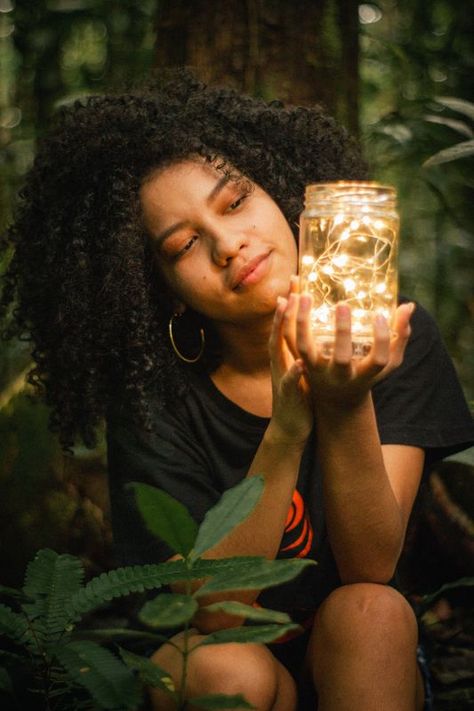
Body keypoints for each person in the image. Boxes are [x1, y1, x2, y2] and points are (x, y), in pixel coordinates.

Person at [2, 71, 473, 711]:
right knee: (232, 669)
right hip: (214, 661)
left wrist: (344, 399)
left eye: (233, 203)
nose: (229, 246)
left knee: (373, 613)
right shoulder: (155, 396)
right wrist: (286, 429)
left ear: (280, 196)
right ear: (164, 287)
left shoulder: (389, 339)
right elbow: (213, 617)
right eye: (185, 244)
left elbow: (371, 566)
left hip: (353, 660)